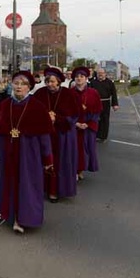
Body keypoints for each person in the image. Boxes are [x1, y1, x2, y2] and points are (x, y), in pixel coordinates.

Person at [0, 71, 54, 234]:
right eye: (16, 83)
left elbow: (44, 136)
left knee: (27, 186)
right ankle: (10, 215)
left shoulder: (37, 107)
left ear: (29, 87)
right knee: (8, 183)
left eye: (22, 84)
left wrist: (47, 159)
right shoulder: (4, 106)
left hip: (29, 155)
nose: (18, 86)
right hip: (7, 153)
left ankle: (24, 218)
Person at [33, 67, 80, 202]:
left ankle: (57, 190)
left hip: (62, 135)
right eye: (47, 81)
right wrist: (46, 116)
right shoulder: (40, 93)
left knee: (59, 163)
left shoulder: (68, 94)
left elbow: (73, 115)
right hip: (44, 135)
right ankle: (43, 189)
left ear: (58, 81)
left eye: (52, 81)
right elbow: (32, 112)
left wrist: (57, 118)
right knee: (44, 162)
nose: (50, 84)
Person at [69, 67, 102, 181]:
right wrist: (75, 123)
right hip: (73, 126)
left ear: (86, 78)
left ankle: (81, 169)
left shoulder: (93, 93)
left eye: (81, 76)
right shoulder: (69, 93)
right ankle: (74, 170)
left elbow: (97, 110)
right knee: (74, 149)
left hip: (88, 125)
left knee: (86, 149)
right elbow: (65, 111)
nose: (79, 78)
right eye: (77, 76)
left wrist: (89, 123)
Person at [90, 68, 119, 141]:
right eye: (99, 73)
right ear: (96, 74)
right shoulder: (93, 82)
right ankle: (96, 135)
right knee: (95, 119)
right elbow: (89, 93)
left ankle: (103, 137)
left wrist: (115, 104)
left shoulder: (110, 83)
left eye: (102, 73)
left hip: (105, 103)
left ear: (105, 74)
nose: (100, 74)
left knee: (105, 120)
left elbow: (114, 94)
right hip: (95, 103)